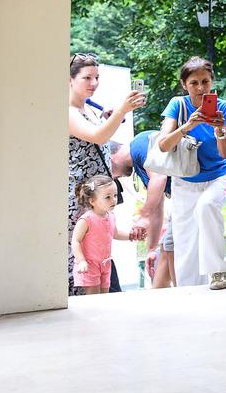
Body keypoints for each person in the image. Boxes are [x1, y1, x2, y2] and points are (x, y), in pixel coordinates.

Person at [68, 52, 144, 295]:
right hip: (80, 197)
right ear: (70, 80)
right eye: (87, 77)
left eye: (97, 77)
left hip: (97, 196)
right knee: (84, 252)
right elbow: (97, 136)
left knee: (100, 249)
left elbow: (98, 135)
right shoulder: (68, 111)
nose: (94, 83)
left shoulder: (88, 110)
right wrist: (122, 111)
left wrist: (105, 118)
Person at [155, 57, 226, 290]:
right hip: (185, 178)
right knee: (185, 238)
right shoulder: (177, 105)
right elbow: (163, 145)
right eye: (194, 83)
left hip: (218, 175)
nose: (201, 88)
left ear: (212, 82)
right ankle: (190, 289)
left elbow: (225, 154)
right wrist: (188, 125)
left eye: (205, 82)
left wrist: (219, 129)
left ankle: (217, 271)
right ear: (184, 84)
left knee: (206, 207)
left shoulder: (225, 107)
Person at [71, 175, 145, 295]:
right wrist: (81, 261)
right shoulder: (86, 219)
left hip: (105, 263)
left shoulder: (111, 216)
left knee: (105, 296)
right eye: (108, 197)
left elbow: (115, 233)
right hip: (90, 264)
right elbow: (76, 241)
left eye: (115, 195)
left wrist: (131, 236)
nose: (114, 200)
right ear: (92, 201)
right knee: (94, 297)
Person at [127, 130, 173, 288]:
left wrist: (143, 216)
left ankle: (160, 295)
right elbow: (157, 205)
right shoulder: (141, 166)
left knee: (170, 245)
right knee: (167, 247)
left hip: (194, 193)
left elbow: (160, 177)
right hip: (185, 198)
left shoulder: (138, 144)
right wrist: (151, 249)